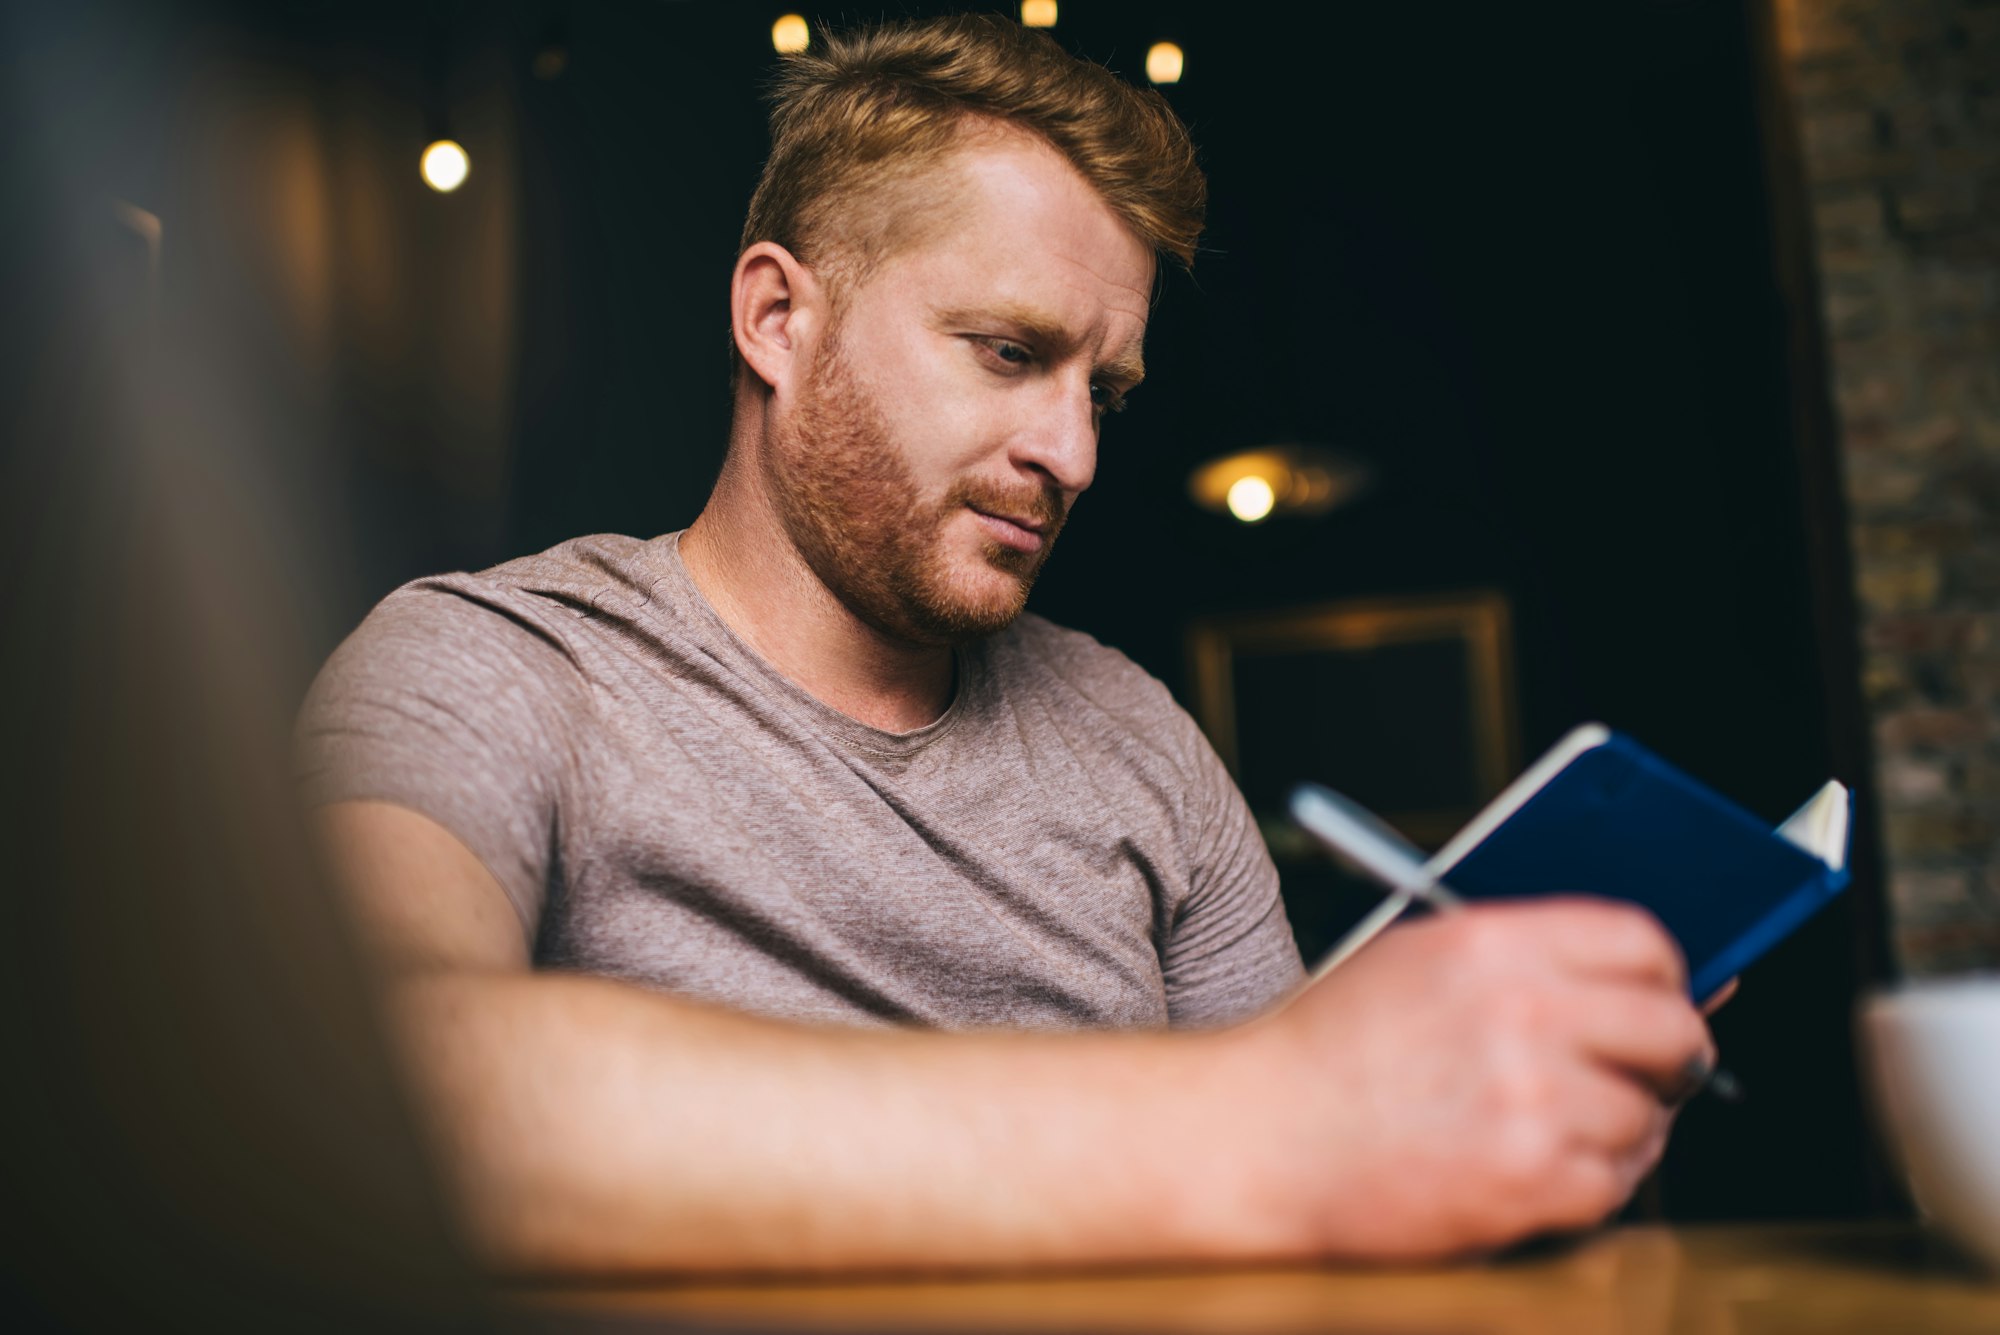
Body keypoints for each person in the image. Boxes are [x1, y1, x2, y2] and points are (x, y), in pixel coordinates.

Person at [299, 13, 1720, 1274]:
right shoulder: (495, 664)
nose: (1074, 451)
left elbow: (1336, 1210)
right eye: (1008, 352)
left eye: (1106, 388)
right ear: (778, 317)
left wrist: (1529, 1113)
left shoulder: (1137, 736)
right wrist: (1275, 1124)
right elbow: (370, 1090)